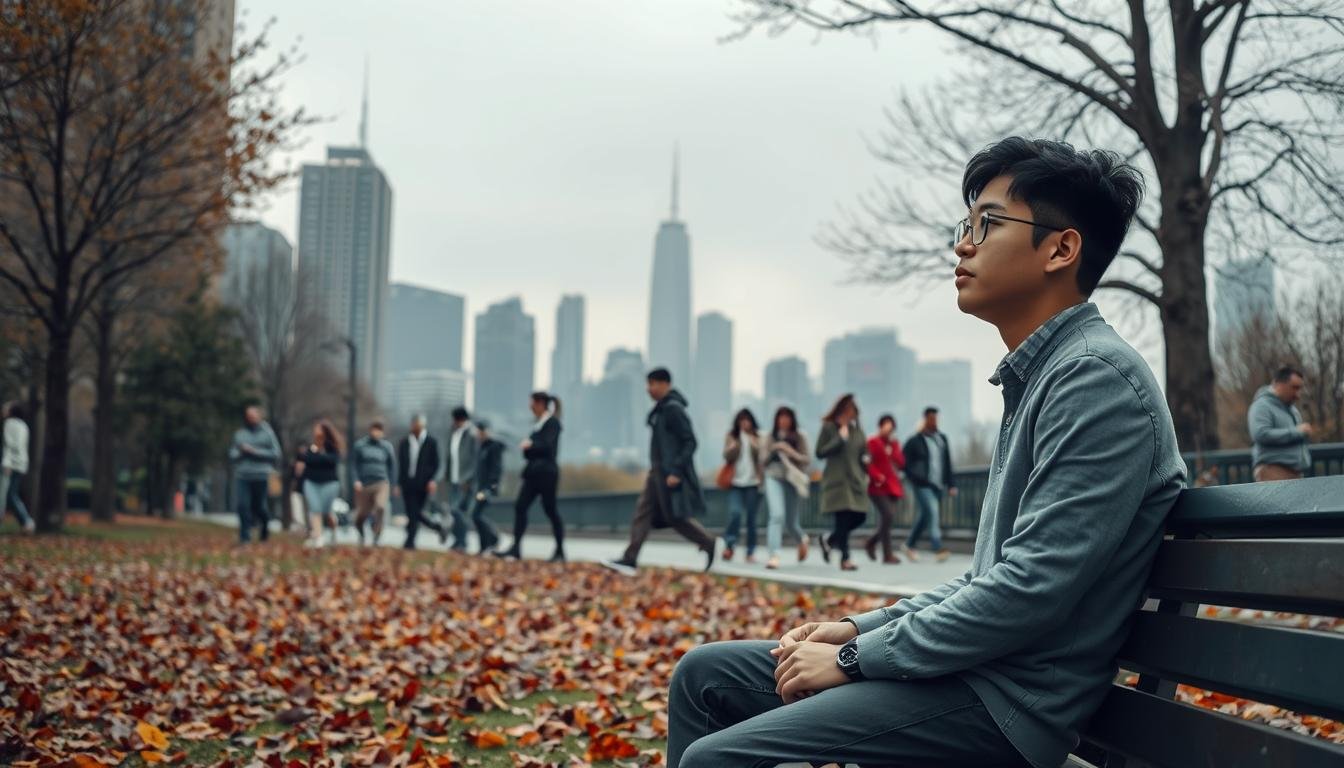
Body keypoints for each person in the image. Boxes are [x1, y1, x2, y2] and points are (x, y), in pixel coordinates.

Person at [666, 137, 1186, 768]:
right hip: (971, 674)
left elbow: (1029, 591)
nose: (963, 245)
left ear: (1060, 249)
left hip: (1007, 706)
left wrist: (852, 660)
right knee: (704, 675)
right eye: (965, 226)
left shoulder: (1095, 380)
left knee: (715, 759)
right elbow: (986, 581)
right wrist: (856, 630)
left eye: (988, 224)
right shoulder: (1045, 375)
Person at [601, 369, 718, 576]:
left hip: (668, 474)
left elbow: (690, 442)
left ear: (665, 384)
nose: (649, 389)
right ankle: (630, 558)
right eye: (648, 384)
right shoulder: (661, 409)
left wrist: (676, 471)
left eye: (653, 384)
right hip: (657, 472)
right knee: (643, 513)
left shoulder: (673, 409)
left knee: (674, 518)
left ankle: (708, 541)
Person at [495, 392, 565, 561]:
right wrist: (530, 448)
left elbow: (547, 447)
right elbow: (529, 453)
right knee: (520, 507)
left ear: (540, 404)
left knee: (550, 510)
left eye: (532, 403)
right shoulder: (537, 425)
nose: (530, 407)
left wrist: (531, 445)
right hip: (533, 473)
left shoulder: (552, 423)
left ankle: (560, 551)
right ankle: (516, 548)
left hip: (546, 474)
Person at [815, 394, 868, 572]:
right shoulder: (829, 428)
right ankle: (845, 559)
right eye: (846, 410)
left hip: (855, 481)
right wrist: (840, 438)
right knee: (843, 520)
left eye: (852, 411)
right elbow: (819, 452)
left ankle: (829, 540)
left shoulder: (858, 432)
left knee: (860, 516)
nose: (849, 414)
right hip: (837, 482)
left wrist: (867, 461)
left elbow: (863, 453)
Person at [901, 406, 958, 563]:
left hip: (938, 485)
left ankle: (909, 544)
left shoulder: (942, 439)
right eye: (931, 418)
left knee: (925, 516)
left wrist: (951, 484)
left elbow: (947, 463)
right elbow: (903, 461)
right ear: (925, 419)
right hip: (922, 485)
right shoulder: (915, 440)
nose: (934, 421)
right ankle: (937, 547)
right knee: (932, 511)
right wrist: (914, 477)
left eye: (936, 418)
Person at [761, 406, 811, 570]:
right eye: (781, 417)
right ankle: (774, 554)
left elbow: (807, 459)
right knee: (776, 515)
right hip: (773, 476)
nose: (784, 421)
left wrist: (789, 451)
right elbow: (762, 460)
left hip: (792, 479)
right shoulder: (769, 436)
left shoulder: (800, 436)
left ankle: (802, 539)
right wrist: (775, 449)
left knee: (790, 522)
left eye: (787, 417)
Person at [1248, 365, 1313, 481]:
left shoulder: (1291, 408)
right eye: (1294, 388)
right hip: (1273, 470)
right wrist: (1297, 432)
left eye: (1300, 389)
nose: (1298, 395)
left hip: (1295, 472)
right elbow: (1261, 434)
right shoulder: (1261, 406)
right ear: (1278, 384)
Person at [227, 405, 281, 544]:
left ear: (259, 417)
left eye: (253, 416)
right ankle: (245, 537)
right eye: (248, 416)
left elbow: (276, 454)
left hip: (261, 475)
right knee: (242, 506)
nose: (251, 419)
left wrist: (254, 452)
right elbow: (232, 454)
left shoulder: (268, 433)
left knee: (259, 507)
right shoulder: (240, 434)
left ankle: (264, 529)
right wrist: (241, 452)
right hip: (243, 475)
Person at [397, 414, 447, 550]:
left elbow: (437, 464)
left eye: (418, 425)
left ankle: (410, 542)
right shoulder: (404, 442)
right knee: (412, 512)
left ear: (423, 425)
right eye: (414, 425)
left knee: (415, 512)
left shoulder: (431, 442)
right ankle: (436, 527)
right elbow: (401, 465)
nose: (416, 427)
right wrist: (398, 483)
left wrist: (433, 480)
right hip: (407, 483)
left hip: (423, 483)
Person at [721, 409, 762, 563]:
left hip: (753, 483)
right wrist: (733, 447)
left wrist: (754, 444)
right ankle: (729, 545)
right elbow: (726, 457)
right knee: (735, 513)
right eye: (741, 420)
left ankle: (750, 551)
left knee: (751, 519)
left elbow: (762, 457)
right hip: (735, 483)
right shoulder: (732, 436)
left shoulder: (758, 437)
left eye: (747, 420)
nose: (745, 423)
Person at [865, 413, 905, 564]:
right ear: (880, 426)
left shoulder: (894, 443)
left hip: (892, 487)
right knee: (887, 515)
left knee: (887, 520)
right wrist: (877, 476)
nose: (889, 430)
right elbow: (867, 463)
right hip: (877, 487)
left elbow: (901, 462)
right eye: (886, 426)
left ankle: (876, 546)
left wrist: (893, 447)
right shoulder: (872, 442)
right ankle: (882, 550)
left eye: (891, 428)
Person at [351, 419, 397, 546]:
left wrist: (393, 484)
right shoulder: (360, 445)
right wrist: (356, 480)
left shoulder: (387, 447)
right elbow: (353, 465)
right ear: (370, 430)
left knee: (381, 507)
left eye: (379, 430)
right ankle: (361, 531)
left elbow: (392, 467)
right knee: (362, 514)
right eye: (375, 429)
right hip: (364, 484)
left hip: (381, 482)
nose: (377, 433)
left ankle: (377, 534)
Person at [298, 420, 343, 547]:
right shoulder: (311, 447)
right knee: (315, 509)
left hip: (329, 483)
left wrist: (318, 456)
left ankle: (334, 532)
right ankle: (318, 537)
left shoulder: (332, 447)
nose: (316, 431)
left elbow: (332, 461)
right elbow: (307, 459)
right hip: (311, 483)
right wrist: (319, 457)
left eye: (318, 429)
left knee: (327, 512)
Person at [444, 407, 479, 551]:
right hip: (454, 479)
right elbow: (450, 457)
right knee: (454, 511)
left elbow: (475, 460)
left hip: (465, 481)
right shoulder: (454, 433)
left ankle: (462, 542)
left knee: (458, 510)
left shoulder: (472, 434)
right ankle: (458, 540)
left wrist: (468, 479)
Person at [468, 420, 505, 554]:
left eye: (480, 432)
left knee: (476, 515)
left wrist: (490, 488)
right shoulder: (482, 447)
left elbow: (497, 469)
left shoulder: (493, 447)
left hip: (487, 488)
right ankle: (484, 546)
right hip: (480, 487)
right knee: (476, 515)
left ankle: (493, 537)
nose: (478, 435)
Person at [1, 402, 35, 533]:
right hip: (21, 463)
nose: (3, 410)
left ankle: (26, 521)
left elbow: (10, 445)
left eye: (6, 408)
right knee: (11, 494)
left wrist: (7, 463)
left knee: (8, 495)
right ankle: (26, 522)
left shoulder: (9, 424)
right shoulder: (23, 425)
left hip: (11, 464)